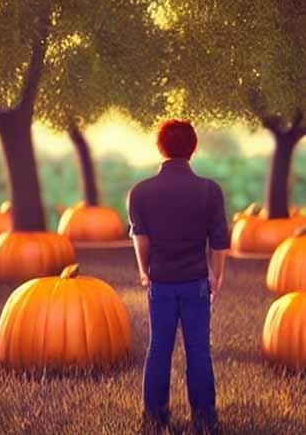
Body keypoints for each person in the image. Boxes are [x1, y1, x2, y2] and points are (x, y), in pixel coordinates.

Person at [127, 119, 229, 433]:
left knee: (159, 347)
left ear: (160, 147)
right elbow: (219, 241)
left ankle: (155, 417)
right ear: (193, 147)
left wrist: (146, 273)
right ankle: (204, 419)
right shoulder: (209, 190)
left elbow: (141, 239)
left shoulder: (141, 192)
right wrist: (216, 275)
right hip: (196, 281)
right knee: (199, 350)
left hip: (162, 283)